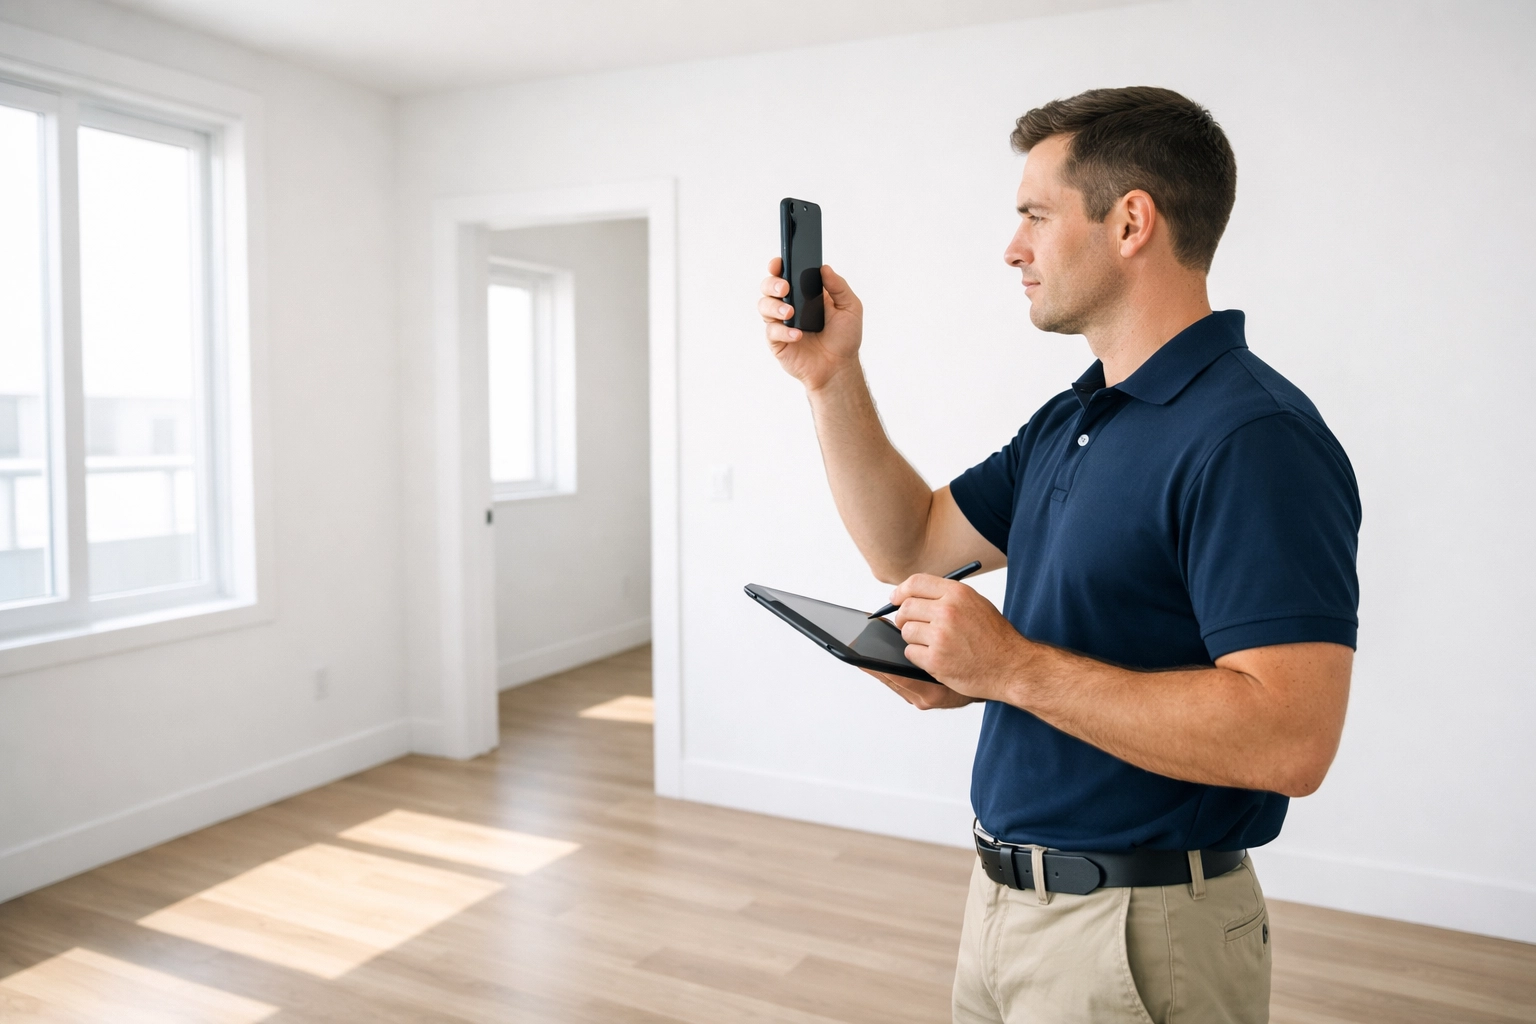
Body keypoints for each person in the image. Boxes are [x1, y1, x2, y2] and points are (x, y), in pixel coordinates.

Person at [755, 86, 1360, 1024]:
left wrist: (1012, 668)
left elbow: (1292, 739)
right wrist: (831, 376)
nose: (1013, 247)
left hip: (1142, 936)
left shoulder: (1255, 439)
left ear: (1130, 222)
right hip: (1004, 907)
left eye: (1035, 215)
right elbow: (908, 540)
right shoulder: (1074, 418)